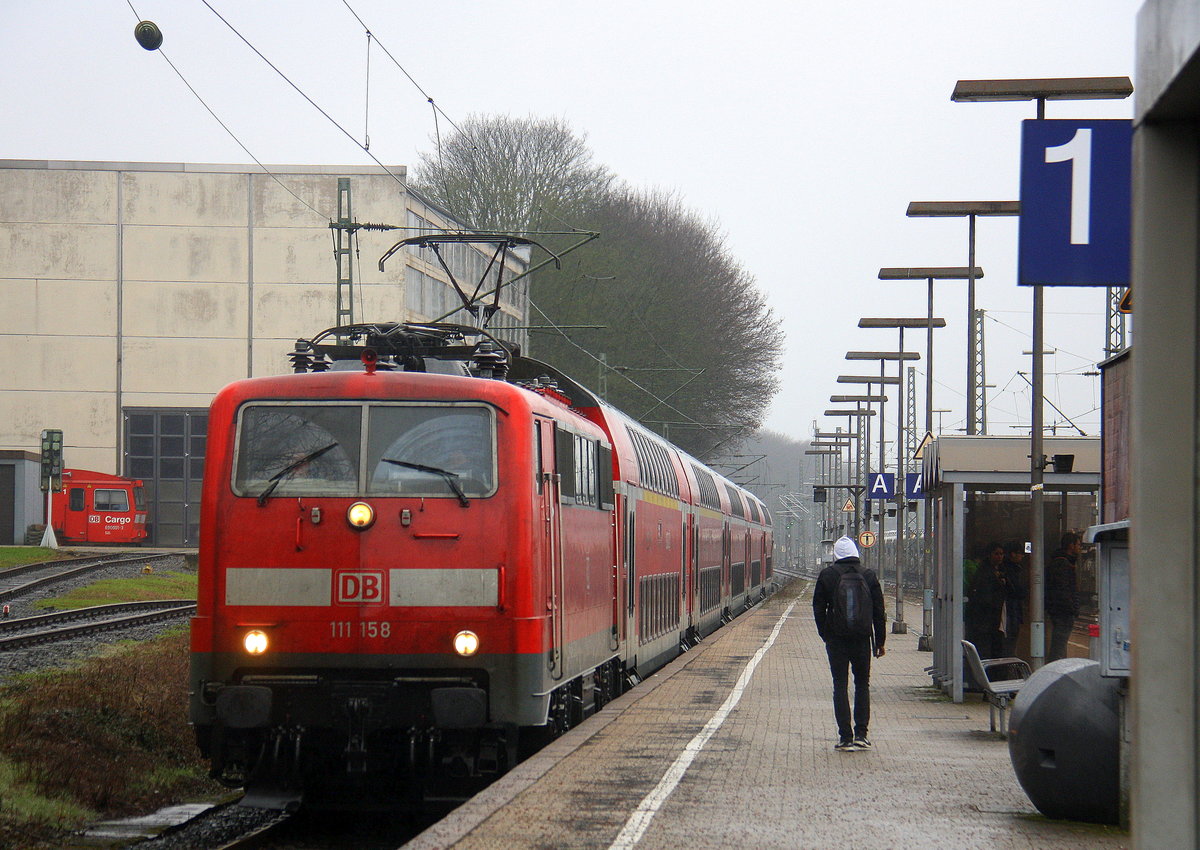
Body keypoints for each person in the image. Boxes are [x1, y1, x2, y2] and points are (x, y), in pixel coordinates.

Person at [813, 536, 886, 751]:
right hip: (862, 639)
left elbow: (818, 609)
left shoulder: (827, 575)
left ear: (836, 555)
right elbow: (879, 612)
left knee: (840, 685)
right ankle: (861, 734)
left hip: (836, 640)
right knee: (862, 684)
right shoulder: (868, 575)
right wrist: (879, 641)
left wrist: (825, 634)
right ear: (856, 553)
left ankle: (845, 736)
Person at [964, 542, 1008, 659]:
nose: (999, 557)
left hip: (992, 620)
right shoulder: (985, 573)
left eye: (1001, 554)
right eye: (996, 554)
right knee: (987, 649)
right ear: (989, 555)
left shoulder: (998, 571)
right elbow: (985, 597)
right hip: (986, 620)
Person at [1046, 531, 1082, 662]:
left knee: (1059, 646)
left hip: (1060, 611)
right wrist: (1071, 608)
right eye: (1078, 544)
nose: (1080, 547)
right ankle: (1053, 673)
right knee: (1058, 647)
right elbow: (1063, 590)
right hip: (1063, 612)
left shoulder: (1061, 562)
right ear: (1071, 546)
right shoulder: (1063, 564)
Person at [1000, 541, 1027, 657]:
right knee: (1010, 641)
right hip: (1011, 611)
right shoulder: (1010, 570)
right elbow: (1017, 590)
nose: (1022, 556)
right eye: (1020, 553)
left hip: (1012, 610)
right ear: (1012, 554)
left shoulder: (1010, 569)